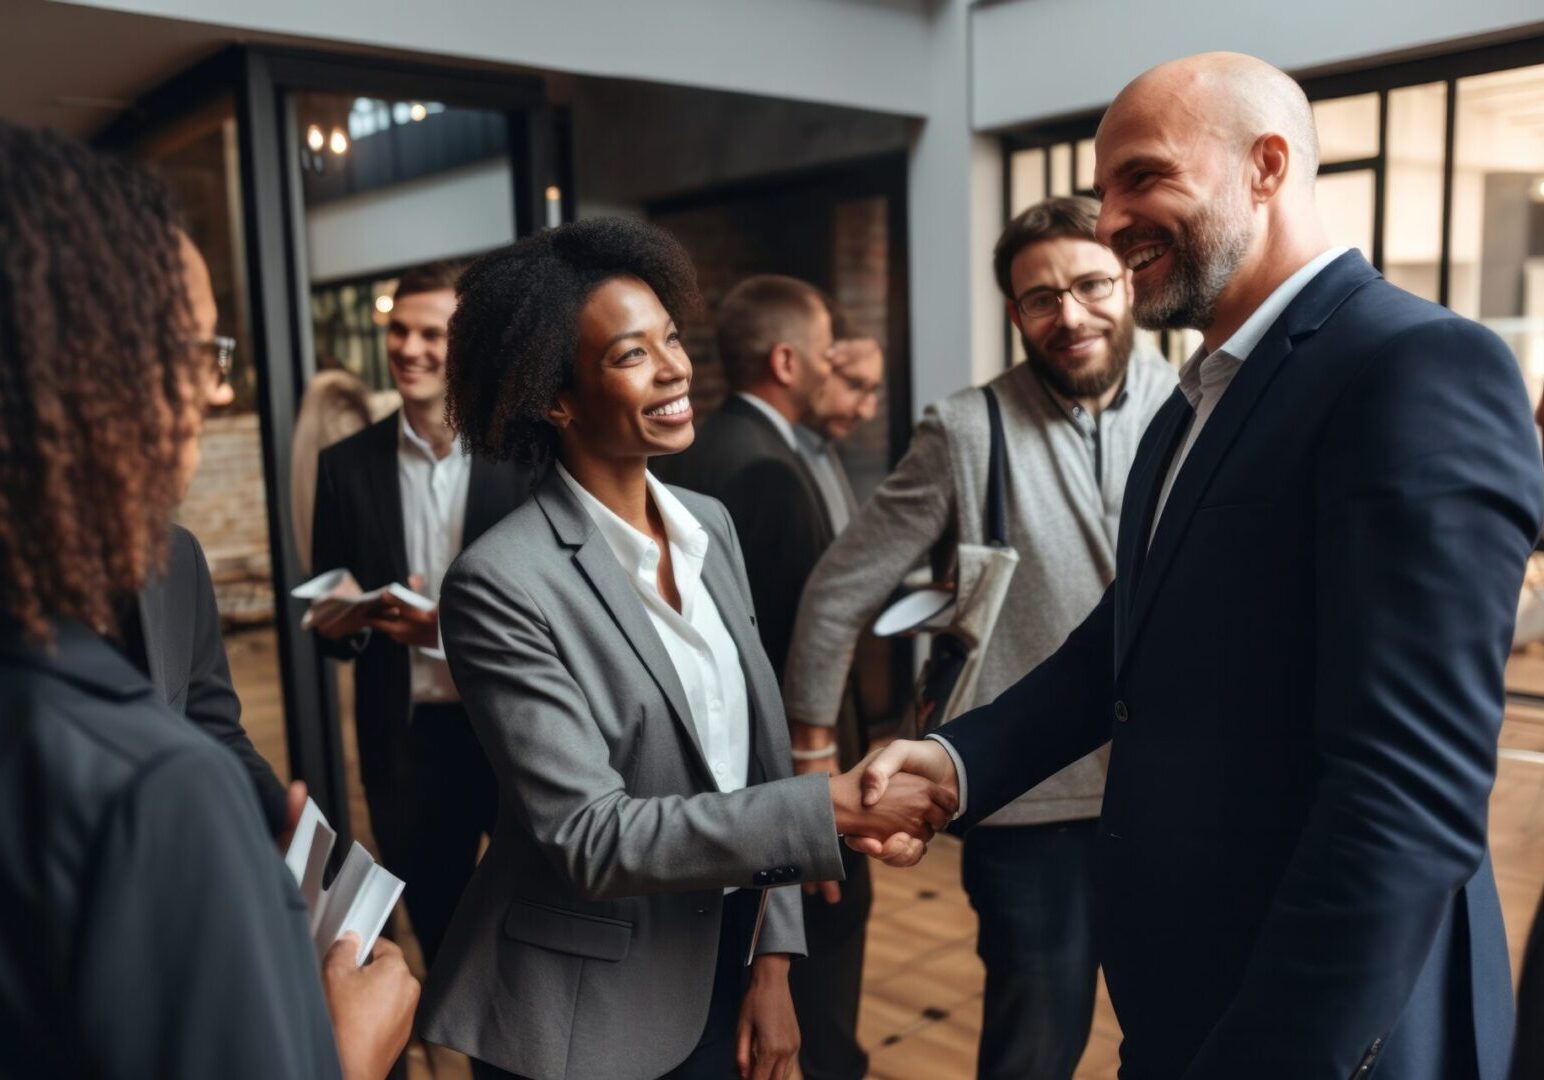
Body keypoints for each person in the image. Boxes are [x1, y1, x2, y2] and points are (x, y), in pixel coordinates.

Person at [858, 53, 1544, 1080]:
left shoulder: (1412, 365)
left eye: (1141, 177)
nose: (1107, 222)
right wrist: (960, 761)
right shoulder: (1194, 400)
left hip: (1325, 1026)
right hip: (1191, 998)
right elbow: (1125, 646)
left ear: (1264, 166)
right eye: (1102, 193)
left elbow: (1407, 790)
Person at [412, 217, 956, 1080]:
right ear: (554, 396)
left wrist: (773, 960)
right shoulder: (500, 584)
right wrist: (834, 811)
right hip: (586, 1009)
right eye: (632, 355)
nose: (675, 368)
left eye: (672, 339)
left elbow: (762, 759)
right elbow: (590, 836)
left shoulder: (712, 527)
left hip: (728, 960)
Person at [0, 121, 417, 1080]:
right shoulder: (151, 795)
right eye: (201, 351)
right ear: (91, 371)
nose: (218, 392)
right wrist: (349, 1054)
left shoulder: (158, 594)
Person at [785, 196, 1175, 1079]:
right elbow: (838, 590)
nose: (1067, 314)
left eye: (1089, 285)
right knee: (1034, 1049)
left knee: (1181, 1034)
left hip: (1176, 793)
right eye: (1041, 298)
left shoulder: (1197, 404)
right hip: (1031, 808)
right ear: (1015, 314)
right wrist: (811, 754)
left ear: (1128, 280)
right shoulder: (968, 428)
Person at [309, 262, 536, 968]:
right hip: (405, 750)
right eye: (398, 332)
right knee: (442, 945)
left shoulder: (526, 456)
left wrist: (448, 630)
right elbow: (334, 613)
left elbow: (558, 614)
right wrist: (342, 623)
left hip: (515, 739)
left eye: (431, 334)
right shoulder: (345, 466)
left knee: (528, 943)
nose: (409, 349)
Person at [783, 309, 888, 1080]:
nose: (864, 404)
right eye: (853, 379)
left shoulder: (823, 457)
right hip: (804, 752)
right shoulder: (772, 466)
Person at [653, 274, 837, 679]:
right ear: (786, 362)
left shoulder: (696, 444)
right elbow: (789, 627)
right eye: (825, 354)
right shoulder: (768, 469)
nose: (829, 370)